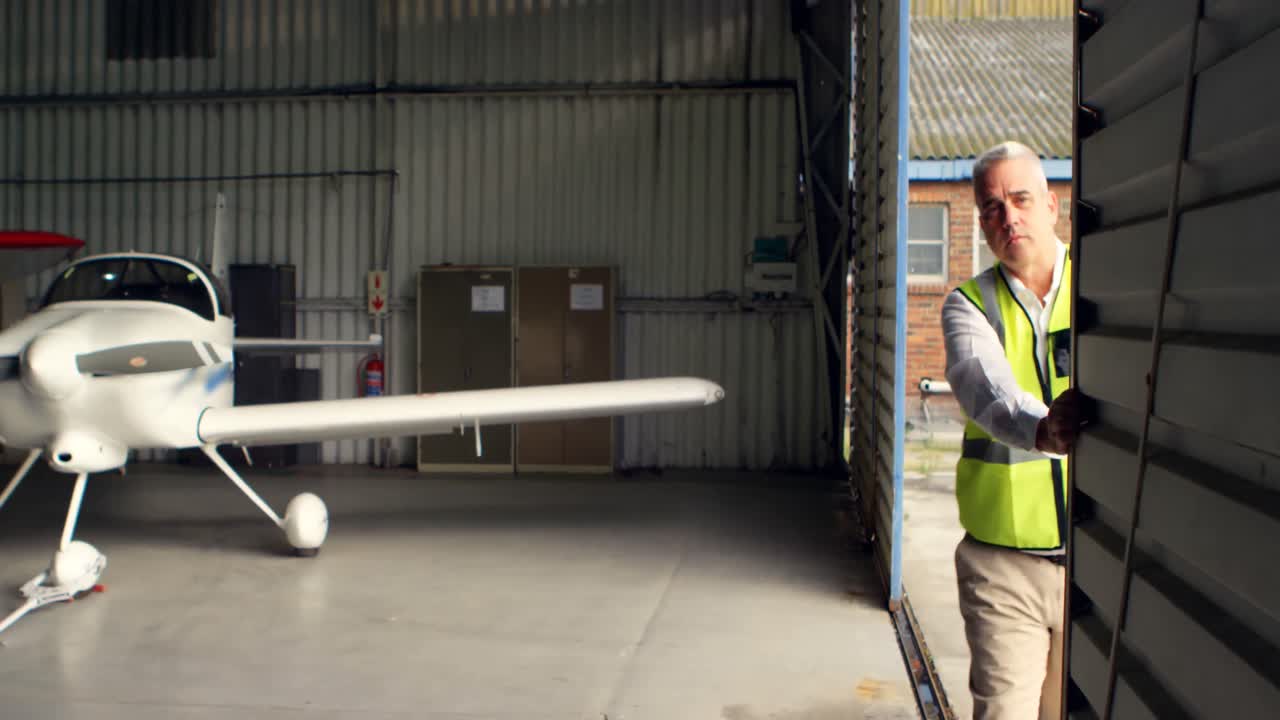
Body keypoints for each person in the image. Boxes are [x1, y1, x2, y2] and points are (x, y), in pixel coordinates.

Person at [941, 140, 1086, 720]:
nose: (1008, 217)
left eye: (1021, 199)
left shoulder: (1108, 286)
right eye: (992, 207)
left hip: (1095, 558)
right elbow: (985, 388)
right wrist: (1043, 429)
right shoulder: (969, 305)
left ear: (1053, 205)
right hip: (1006, 567)